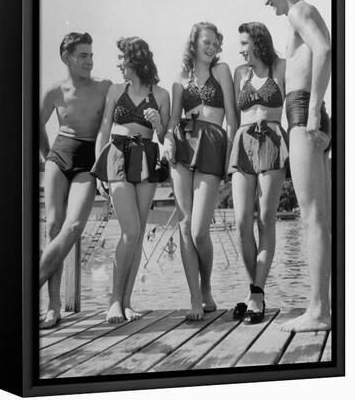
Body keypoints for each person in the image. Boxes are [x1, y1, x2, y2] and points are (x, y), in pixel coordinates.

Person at [262, 0, 331, 332]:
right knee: (319, 218)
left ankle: (318, 311)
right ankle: (322, 307)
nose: (266, 0)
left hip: (305, 110)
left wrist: (315, 112)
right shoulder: (304, 13)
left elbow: (324, 50)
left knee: (312, 218)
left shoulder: (299, 11)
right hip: (304, 109)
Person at [91, 37, 170, 323]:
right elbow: (103, 130)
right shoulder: (115, 89)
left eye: (122, 58)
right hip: (117, 154)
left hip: (147, 158)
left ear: (135, 59)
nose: (119, 63)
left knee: (137, 236)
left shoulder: (160, 95)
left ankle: (126, 302)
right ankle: (113, 300)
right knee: (130, 230)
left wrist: (158, 122)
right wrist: (97, 168)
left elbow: (165, 138)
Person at [164, 22, 237, 320]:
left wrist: (230, 161)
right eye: (206, 41)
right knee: (184, 226)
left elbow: (232, 117)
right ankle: (195, 298)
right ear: (193, 43)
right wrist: (168, 140)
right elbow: (171, 123)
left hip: (213, 145)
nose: (212, 47)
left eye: (215, 42)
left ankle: (206, 286)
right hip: (183, 147)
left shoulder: (222, 71)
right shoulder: (180, 78)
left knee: (199, 230)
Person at [39, 32, 111, 328]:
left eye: (91, 55)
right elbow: (35, 125)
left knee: (74, 226)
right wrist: (47, 157)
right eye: (83, 55)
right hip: (59, 155)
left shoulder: (104, 87)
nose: (89, 61)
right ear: (66, 57)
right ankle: (53, 305)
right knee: (53, 226)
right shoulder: (54, 91)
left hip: (87, 161)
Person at [229, 22, 288, 324]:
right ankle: (257, 292)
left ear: (258, 42)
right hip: (242, 142)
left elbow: (295, 106)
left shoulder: (280, 66)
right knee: (241, 222)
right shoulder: (240, 73)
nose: (240, 49)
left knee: (265, 220)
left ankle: (256, 294)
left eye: (243, 43)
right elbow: (231, 118)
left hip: (273, 140)